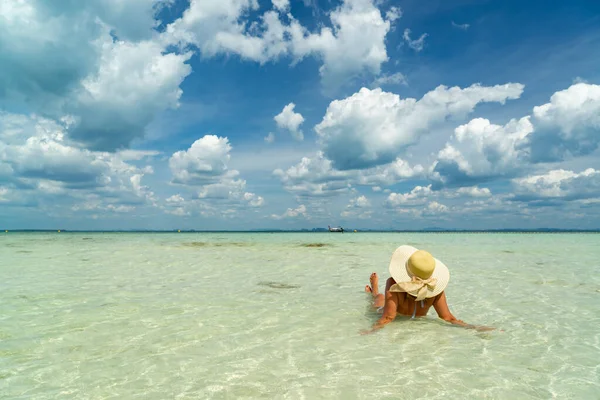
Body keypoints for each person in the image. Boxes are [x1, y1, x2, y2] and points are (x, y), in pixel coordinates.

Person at [362, 245, 494, 334]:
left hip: (396, 316)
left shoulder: (393, 283)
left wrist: (371, 331)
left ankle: (374, 291)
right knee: (379, 299)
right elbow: (448, 317)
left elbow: (388, 317)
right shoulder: (435, 288)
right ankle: (374, 290)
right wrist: (473, 327)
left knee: (379, 300)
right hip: (407, 316)